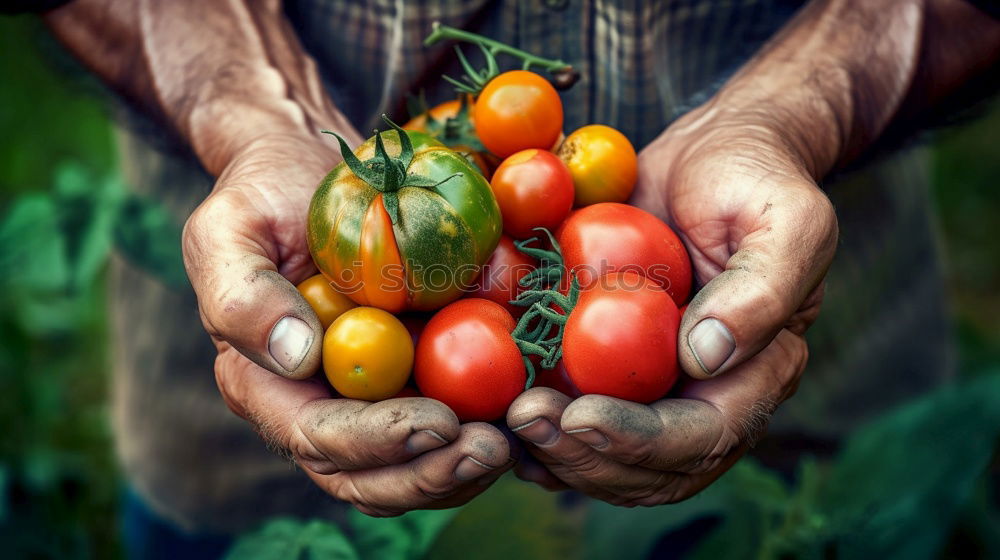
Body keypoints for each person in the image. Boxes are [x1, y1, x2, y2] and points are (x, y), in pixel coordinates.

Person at [40, 0, 1000, 553]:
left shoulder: (508, 251)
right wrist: (248, 107)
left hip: (804, 292)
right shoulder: (429, 233)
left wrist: (808, 108)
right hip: (245, 380)